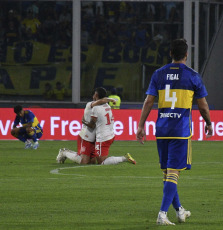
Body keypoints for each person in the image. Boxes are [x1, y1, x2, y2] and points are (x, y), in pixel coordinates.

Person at [136, 38, 213, 226]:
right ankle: (162, 214)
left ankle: (179, 211)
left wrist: (140, 125)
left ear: (170, 53)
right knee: (173, 173)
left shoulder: (158, 74)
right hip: (180, 131)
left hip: (162, 129)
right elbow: (202, 107)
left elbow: (148, 101)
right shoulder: (193, 76)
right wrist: (209, 123)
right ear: (187, 55)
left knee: (168, 173)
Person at [57, 87, 136, 165]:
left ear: (96, 95)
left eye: (94, 94)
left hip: (96, 138)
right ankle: (64, 152)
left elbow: (101, 102)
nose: (93, 96)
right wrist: (110, 100)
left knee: (92, 162)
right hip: (86, 137)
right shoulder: (90, 105)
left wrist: (84, 121)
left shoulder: (101, 106)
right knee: (84, 162)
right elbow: (101, 101)